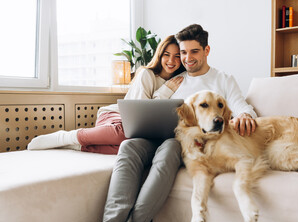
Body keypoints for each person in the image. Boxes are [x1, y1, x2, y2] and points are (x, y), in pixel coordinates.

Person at [97, 24, 257, 222]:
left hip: (182, 143)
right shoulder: (176, 79)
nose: (187, 58)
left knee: (170, 148)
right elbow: (154, 107)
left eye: (194, 51)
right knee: (128, 146)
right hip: (156, 135)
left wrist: (245, 115)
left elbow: (242, 106)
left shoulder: (223, 80)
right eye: (183, 52)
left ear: (206, 51)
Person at [27, 35, 185, 154]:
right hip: (116, 117)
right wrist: (165, 91)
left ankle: (77, 145)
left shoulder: (180, 81)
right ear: (159, 55)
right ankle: (66, 137)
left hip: (134, 129)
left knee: (131, 147)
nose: (171, 60)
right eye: (167, 54)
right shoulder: (147, 75)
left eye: (177, 56)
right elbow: (140, 117)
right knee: (126, 135)